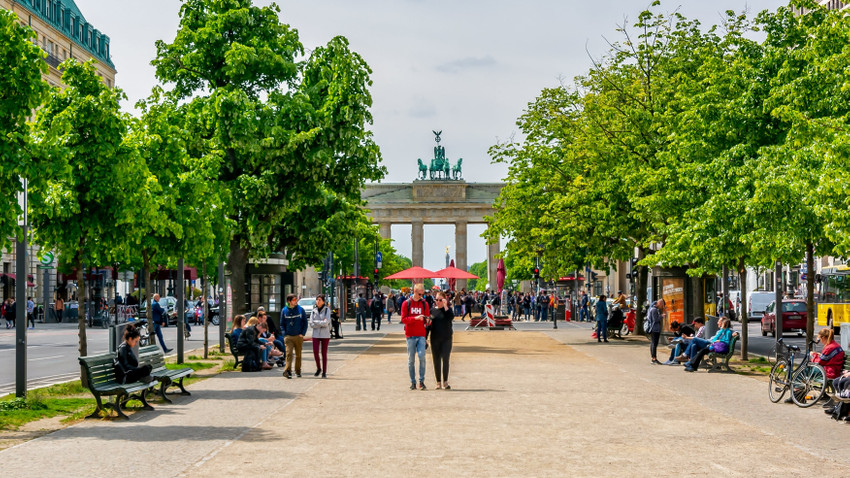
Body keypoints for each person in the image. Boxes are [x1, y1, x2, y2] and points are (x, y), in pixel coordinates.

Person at [401, 283, 430, 390]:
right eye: (419, 294)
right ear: (414, 291)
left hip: (421, 334)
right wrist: (416, 318)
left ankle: (421, 381)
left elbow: (427, 319)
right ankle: (412, 382)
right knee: (411, 359)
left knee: (422, 356)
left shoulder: (424, 304)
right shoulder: (406, 303)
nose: (421, 296)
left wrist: (428, 320)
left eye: (422, 294)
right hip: (410, 335)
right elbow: (403, 319)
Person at [427, 291, 454, 390]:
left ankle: (445, 382)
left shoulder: (448, 310)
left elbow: (450, 317)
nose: (438, 302)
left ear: (444, 300)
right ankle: (438, 382)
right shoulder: (432, 311)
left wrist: (446, 306)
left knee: (445, 360)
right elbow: (428, 326)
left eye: (440, 300)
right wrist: (425, 337)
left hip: (446, 339)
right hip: (435, 339)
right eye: (436, 300)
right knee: (436, 360)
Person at [281, 293, 308, 379]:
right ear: (289, 301)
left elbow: (305, 322)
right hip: (288, 337)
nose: (296, 301)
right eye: (293, 300)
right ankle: (287, 371)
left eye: (296, 299)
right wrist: (284, 334)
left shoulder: (300, 310)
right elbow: (282, 324)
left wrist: (302, 333)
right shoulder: (284, 310)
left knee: (298, 355)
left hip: (298, 336)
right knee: (289, 354)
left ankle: (298, 371)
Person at [310, 295, 331, 378]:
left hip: (325, 335)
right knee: (315, 352)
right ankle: (318, 368)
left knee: (324, 353)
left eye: (319, 300)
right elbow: (311, 323)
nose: (318, 301)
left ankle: (324, 371)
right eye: (317, 300)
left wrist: (317, 322)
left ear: (323, 301)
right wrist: (320, 323)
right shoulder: (313, 311)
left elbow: (326, 323)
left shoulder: (327, 310)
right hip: (315, 334)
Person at [646, 298, 664, 364]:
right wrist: (661, 316)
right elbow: (655, 320)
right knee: (654, 343)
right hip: (655, 329)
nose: (661, 307)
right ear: (659, 303)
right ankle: (654, 358)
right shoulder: (654, 310)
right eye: (661, 306)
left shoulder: (651, 308)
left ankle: (653, 358)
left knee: (653, 343)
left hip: (653, 328)